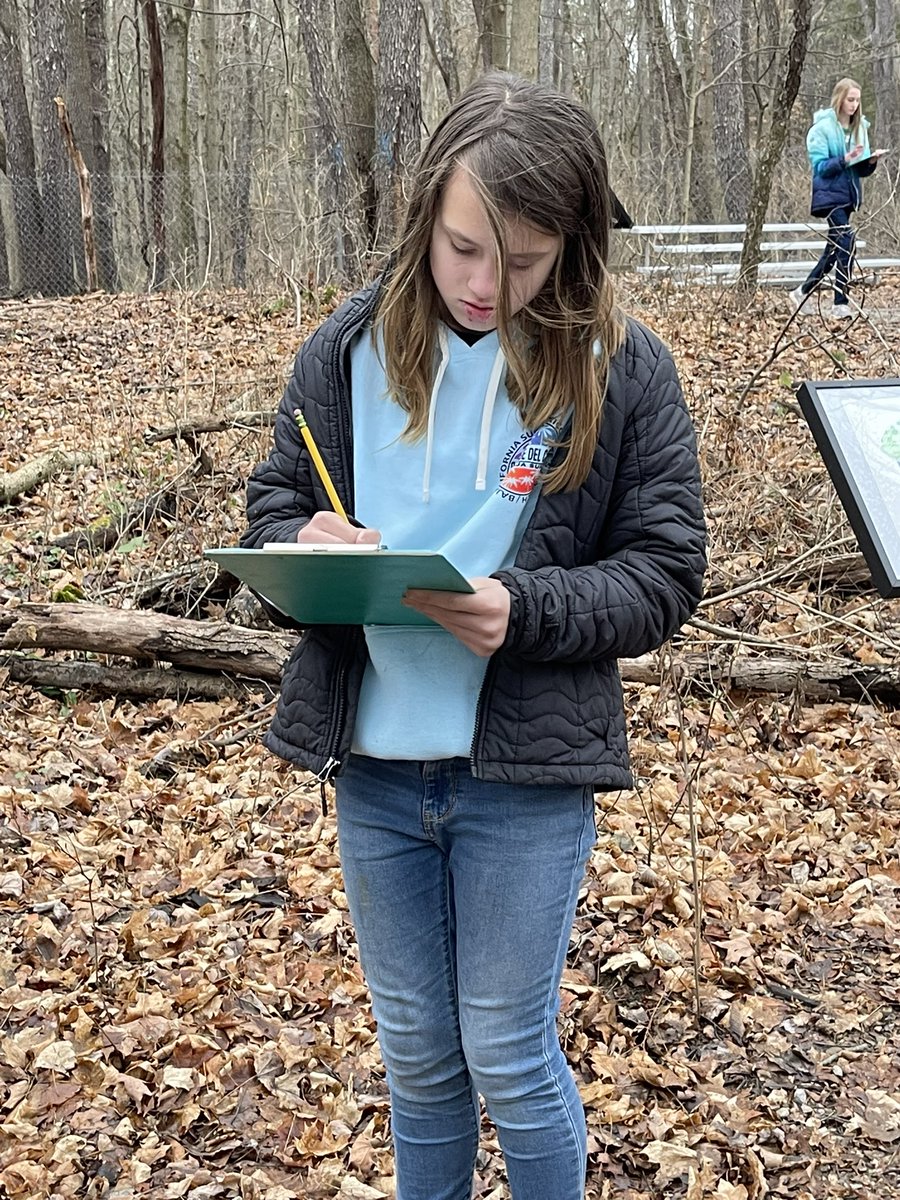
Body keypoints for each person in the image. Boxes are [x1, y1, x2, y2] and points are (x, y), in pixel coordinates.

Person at [241, 71, 706, 1200]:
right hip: (379, 774)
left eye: (525, 259)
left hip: (524, 777)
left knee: (505, 1048)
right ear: (424, 222)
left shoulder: (624, 368)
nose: (485, 283)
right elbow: (267, 513)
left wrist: (526, 610)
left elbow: (665, 570)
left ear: (576, 244)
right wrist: (307, 541)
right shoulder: (346, 348)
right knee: (418, 1058)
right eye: (461, 248)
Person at [791, 77, 888, 318]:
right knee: (847, 241)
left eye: (857, 100)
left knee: (834, 249)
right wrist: (845, 158)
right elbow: (821, 167)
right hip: (829, 196)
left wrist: (871, 161)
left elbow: (860, 169)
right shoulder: (822, 129)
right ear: (840, 99)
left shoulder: (859, 129)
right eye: (850, 99)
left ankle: (802, 291)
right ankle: (840, 302)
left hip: (849, 196)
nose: (854, 105)